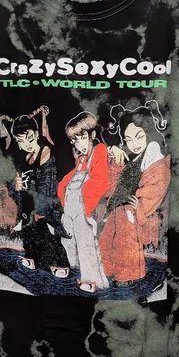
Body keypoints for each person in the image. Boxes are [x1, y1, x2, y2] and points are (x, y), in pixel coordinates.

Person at [98, 100, 171, 284]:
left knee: (126, 242)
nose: (134, 144)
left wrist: (140, 206)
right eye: (128, 139)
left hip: (134, 210)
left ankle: (127, 277)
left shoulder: (155, 159)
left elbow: (156, 187)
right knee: (106, 239)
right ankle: (106, 271)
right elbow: (112, 186)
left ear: (149, 132)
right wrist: (115, 161)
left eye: (139, 136)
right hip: (117, 206)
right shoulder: (131, 157)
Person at [0, 106, 69, 276]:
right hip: (28, 206)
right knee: (29, 232)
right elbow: (15, 187)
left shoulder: (45, 153)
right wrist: (16, 186)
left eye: (29, 138)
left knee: (46, 234)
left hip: (45, 204)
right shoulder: (24, 158)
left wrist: (38, 203)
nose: (26, 143)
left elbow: (49, 185)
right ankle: (32, 256)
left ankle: (59, 263)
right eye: (21, 140)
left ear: (36, 134)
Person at [57, 112, 111, 291]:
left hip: (85, 207)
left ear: (92, 135)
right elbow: (72, 177)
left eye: (81, 138)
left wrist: (87, 207)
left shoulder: (100, 151)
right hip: (71, 207)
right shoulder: (81, 159)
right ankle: (73, 269)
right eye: (74, 140)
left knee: (86, 242)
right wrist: (63, 189)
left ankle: (93, 281)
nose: (78, 144)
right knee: (68, 238)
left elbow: (101, 181)